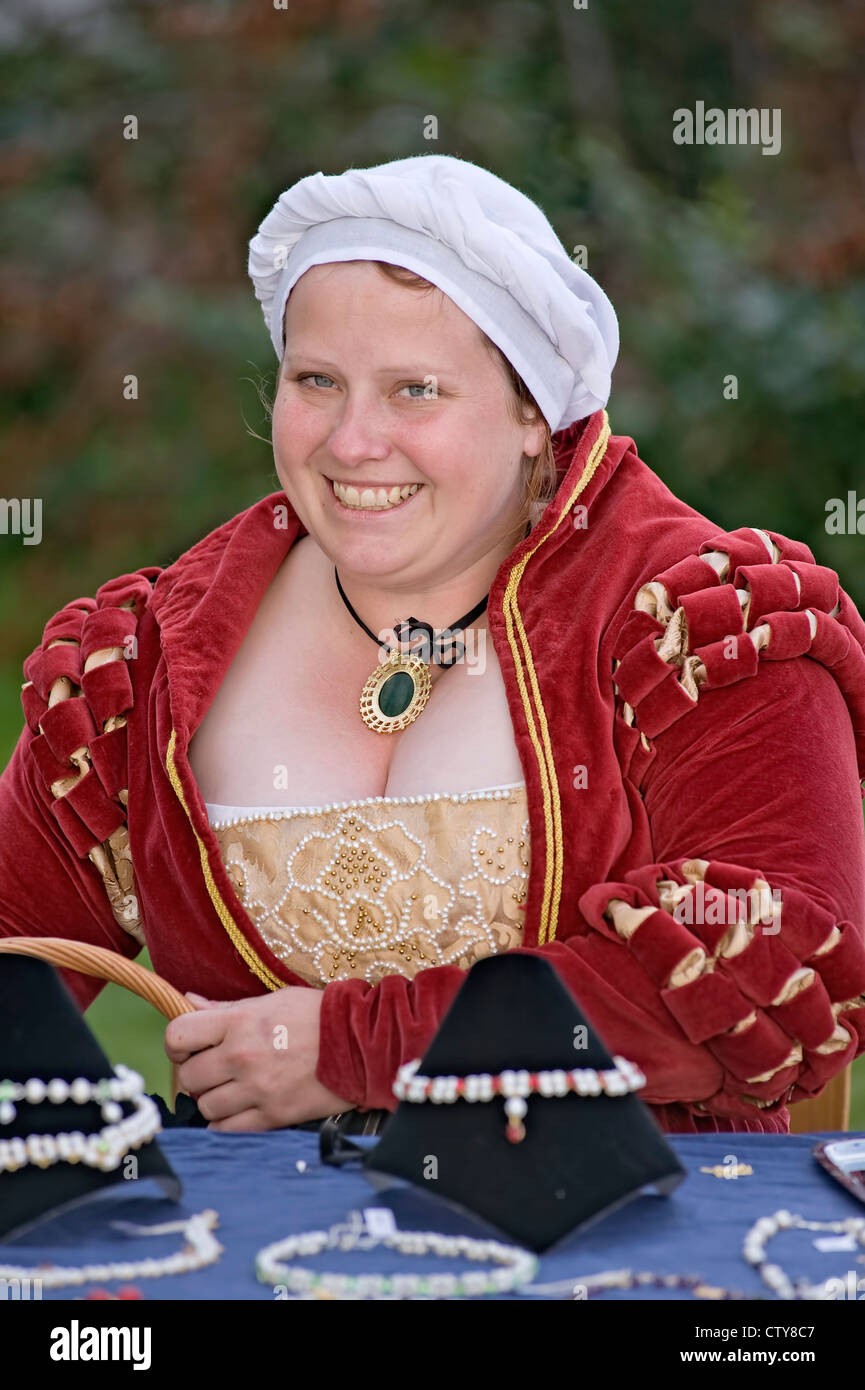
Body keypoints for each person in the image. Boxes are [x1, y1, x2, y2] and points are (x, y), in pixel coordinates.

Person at [2, 153, 865, 1138]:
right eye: (316, 381)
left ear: (534, 413)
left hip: (624, 1245)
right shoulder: (148, 665)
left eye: (415, 390)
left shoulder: (695, 627)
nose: (351, 441)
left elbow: (781, 956)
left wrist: (359, 1047)